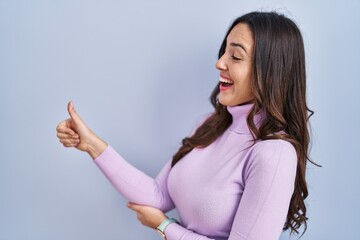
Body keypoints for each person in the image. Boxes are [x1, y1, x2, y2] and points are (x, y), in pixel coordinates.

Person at [56, 11, 314, 240]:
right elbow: (158, 194)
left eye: (235, 56)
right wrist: (91, 144)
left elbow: (162, 216)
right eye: (224, 51)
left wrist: (165, 226)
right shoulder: (210, 126)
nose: (220, 62)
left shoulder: (273, 155)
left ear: (270, 74)